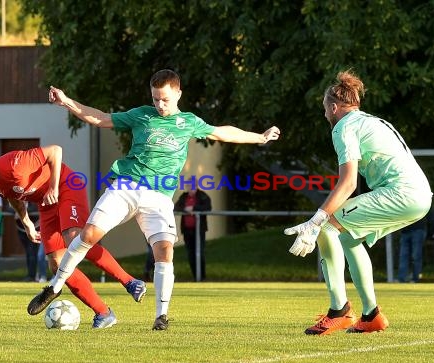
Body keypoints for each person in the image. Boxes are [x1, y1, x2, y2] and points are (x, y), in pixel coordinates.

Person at [29, 69, 280, 330]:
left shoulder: (189, 122)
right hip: (127, 185)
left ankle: (161, 316)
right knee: (89, 234)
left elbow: (223, 133)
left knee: (165, 250)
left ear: (178, 94)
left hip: (159, 196)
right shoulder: (140, 115)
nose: (160, 105)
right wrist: (67, 101)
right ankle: (55, 286)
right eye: (155, 99)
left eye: (165, 100)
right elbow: (100, 119)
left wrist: (259, 137)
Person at [284, 70, 431, 334]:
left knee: (328, 225)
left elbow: (348, 182)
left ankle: (339, 310)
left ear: (333, 107)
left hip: (400, 193)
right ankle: (371, 315)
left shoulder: (343, 127)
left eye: (324, 109)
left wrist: (315, 221)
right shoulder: (372, 121)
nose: (325, 115)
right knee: (349, 238)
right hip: (420, 196)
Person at [0, 143, 146, 329]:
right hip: (45, 203)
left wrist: (53, 187)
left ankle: (130, 282)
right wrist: (27, 222)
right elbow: (13, 195)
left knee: (74, 238)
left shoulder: (16, 163)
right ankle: (103, 313)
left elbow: (55, 151)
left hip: (66, 186)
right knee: (56, 263)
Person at [174, 182, 212, 281]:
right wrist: (186, 209)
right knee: (190, 254)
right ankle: (196, 277)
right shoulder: (184, 196)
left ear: (196, 186)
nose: (190, 188)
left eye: (192, 186)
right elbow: (177, 206)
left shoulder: (202, 195)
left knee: (200, 253)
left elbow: (208, 207)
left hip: (199, 230)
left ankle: (202, 277)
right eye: (188, 186)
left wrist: (193, 208)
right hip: (187, 230)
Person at [397, 208, 434, 283]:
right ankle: (402, 279)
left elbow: (431, 215)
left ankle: (415, 278)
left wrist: (431, 233)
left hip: (418, 230)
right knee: (404, 256)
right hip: (405, 231)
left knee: (415, 256)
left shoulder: (422, 198)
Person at [13, 201, 48, 282]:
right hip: (21, 231)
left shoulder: (34, 203)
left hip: (36, 231)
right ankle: (31, 275)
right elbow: (13, 213)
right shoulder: (18, 201)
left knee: (34, 254)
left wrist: (25, 213)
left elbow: (41, 215)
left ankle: (34, 275)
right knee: (29, 254)